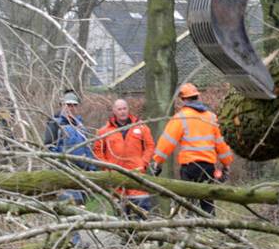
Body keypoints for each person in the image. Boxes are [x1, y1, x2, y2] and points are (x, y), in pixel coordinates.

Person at [151, 83, 233, 215]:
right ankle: (211, 231)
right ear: (198, 96)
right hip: (208, 167)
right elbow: (221, 144)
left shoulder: (181, 117)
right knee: (207, 205)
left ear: (183, 99)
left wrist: (157, 162)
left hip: (189, 168)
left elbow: (166, 143)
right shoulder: (211, 117)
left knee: (189, 205)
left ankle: (191, 229)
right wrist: (227, 164)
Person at [94, 99, 155, 219]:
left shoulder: (141, 127)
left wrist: (144, 163)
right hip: (116, 178)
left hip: (137, 176)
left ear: (128, 109)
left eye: (124, 108)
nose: (122, 112)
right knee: (121, 218)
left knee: (141, 215)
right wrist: (107, 168)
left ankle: (143, 236)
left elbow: (150, 146)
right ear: (114, 111)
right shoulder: (104, 131)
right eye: (119, 109)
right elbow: (97, 152)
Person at [43, 90, 97, 204]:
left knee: (81, 207)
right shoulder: (55, 124)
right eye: (68, 105)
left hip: (81, 175)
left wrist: (92, 169)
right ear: (62, 105)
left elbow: (87, 150)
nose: (71, 108)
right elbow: (49, 148)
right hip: (64, 175)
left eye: (74, 105)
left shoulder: (81, 127)